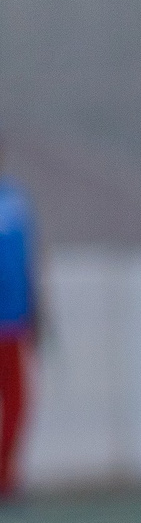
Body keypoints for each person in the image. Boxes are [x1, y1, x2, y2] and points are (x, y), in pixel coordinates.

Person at [0, 140, 41, 502]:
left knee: (17, 407)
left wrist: (38, 311)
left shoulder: (15, 199)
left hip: (14, 324)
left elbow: (29, 259)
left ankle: (6, 479)